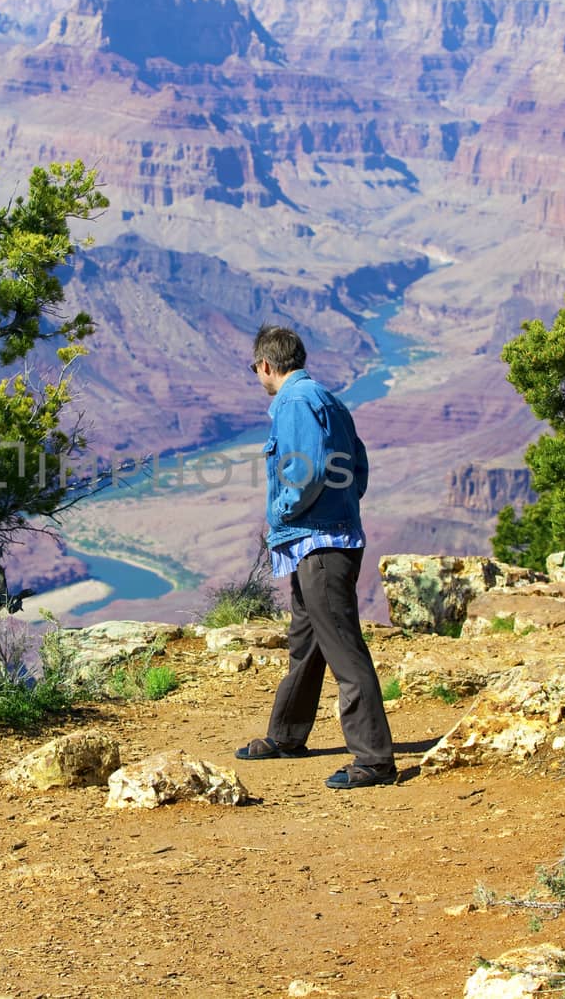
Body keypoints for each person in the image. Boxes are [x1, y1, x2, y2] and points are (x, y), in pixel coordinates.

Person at [235, 324, 397, 789]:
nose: (257, 375)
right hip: (328, 539)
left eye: (255, 368)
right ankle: (286, 735)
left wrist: (285, 513)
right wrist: (342, 506)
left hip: (318, 544)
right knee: (306, 644)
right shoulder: (329, 398)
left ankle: (374, 760)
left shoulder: (293, 403)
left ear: (266, 364)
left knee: (344, 650)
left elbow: (308, 470)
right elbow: (357, 466)